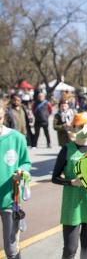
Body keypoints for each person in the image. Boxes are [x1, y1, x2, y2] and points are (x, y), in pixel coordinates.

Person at [52, 112, 87, 259]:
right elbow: (54, 177)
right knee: (70, 248)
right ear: (73, 127)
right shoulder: (67, 149)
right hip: (71, 205)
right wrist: (71, 182)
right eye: (80, 126)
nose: (84, 129)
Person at [0, 102, 31, 259]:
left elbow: (26, 162)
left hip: (10, 200)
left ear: (3, 116)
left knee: (11, 249)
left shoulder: (17, 138)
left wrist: (22, 172)